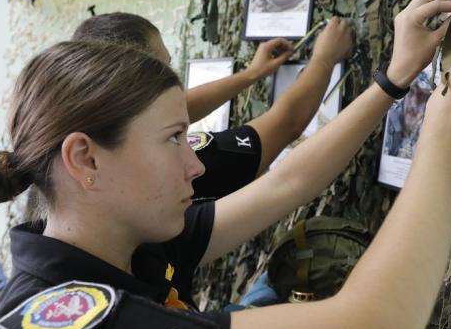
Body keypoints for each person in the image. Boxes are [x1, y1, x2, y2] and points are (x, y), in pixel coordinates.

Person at [0, 0, 451, 329]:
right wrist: (446, 116)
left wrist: (393, 80)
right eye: (173, 139)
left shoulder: (123, 239)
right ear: (85, 159)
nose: (196, 165)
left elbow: (287, 182)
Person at [71, 12, 353, 200]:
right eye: (164, 70)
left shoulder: (93, 127)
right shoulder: (176, 168)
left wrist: (250, 75)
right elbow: (287, 122)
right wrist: (325, 58)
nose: (173, 81)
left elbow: (179, 106)